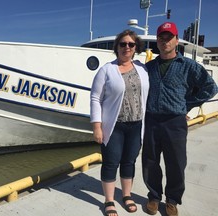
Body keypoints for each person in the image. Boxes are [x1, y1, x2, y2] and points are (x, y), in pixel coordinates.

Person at [142, 22, 218, 216]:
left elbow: (210, 88)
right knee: (150, 160)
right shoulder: (149, 67)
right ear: (157, 41)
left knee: (176, 162)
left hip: (174, 121)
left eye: (169, 37)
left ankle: (173, 200)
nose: (165, 41)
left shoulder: (188, 66)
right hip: (151, 119)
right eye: (161, 37)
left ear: (176, 40)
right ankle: (154, 195)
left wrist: (187, 105)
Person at [90, 30, 149, 216]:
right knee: (110, 163)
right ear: (117, 47)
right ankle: (109, 200)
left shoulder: (142, 69)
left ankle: (126, 195)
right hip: (114, 126)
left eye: (131, 44)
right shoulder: (106, 69)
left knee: (129, 162)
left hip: (137, 125)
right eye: (123, 44)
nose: (127, 47)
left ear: (135, 48)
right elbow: (95, 98)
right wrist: (97, 127)